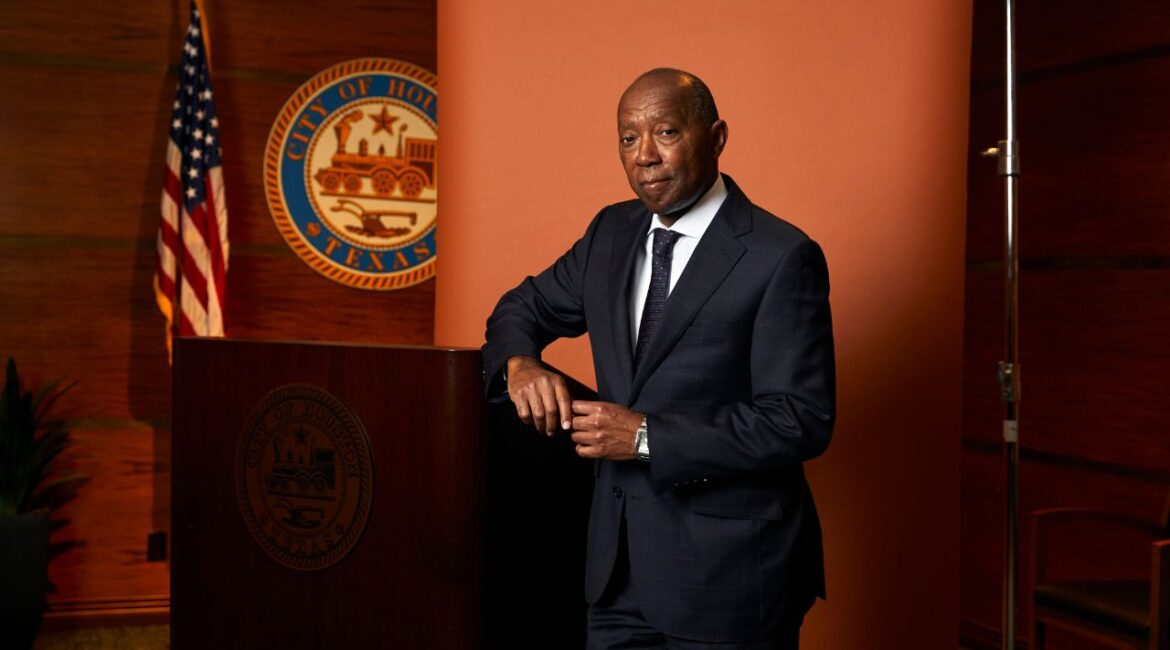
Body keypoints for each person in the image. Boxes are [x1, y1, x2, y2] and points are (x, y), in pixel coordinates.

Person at [483, 68, 835, 649]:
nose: (644, 155)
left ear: (716, 138)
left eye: (666, 132)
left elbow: (798, 419)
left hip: (731, 580)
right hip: (615, 577)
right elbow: (521, 308)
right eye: (628, 138)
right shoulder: (611, 233)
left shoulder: (780, 256)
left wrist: (647, 438)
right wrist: (520, 364)